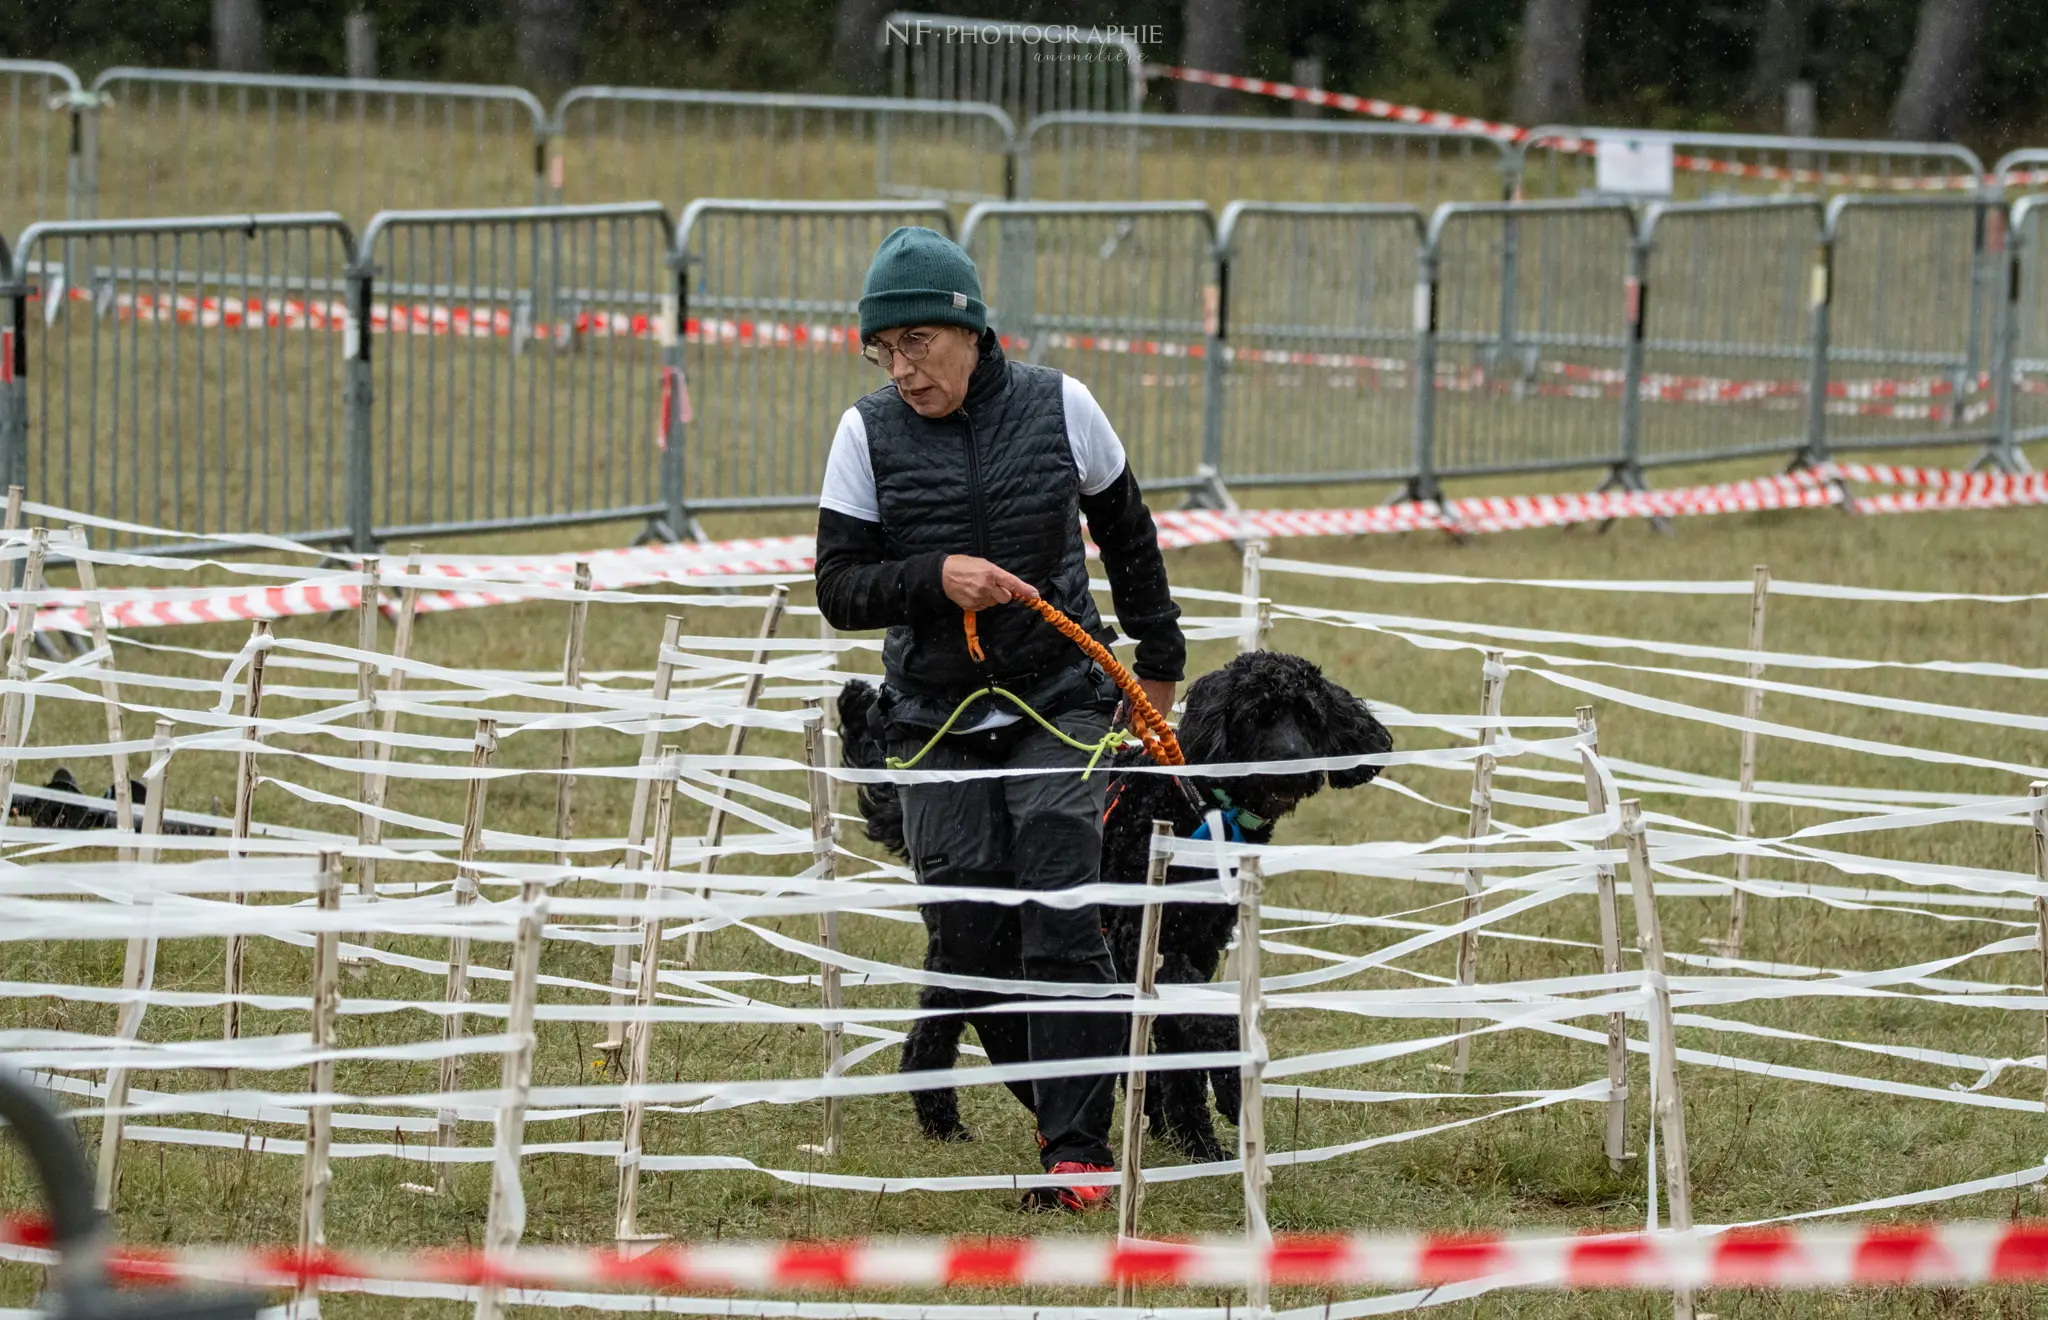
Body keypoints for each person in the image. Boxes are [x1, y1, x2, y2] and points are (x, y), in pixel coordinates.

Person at [813, 226, 1185, 1211]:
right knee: (969, 942)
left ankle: (1075, 1152)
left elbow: (1128, 534)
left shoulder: (1063, 406)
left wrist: (1159, 664)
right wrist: (933, 578)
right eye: (882, 352)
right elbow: (838, 588)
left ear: (969, 329)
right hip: (931, 712)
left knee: (1063, 911)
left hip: (1058, 696)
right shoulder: (863, 435)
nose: (901, 370)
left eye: (916, 347)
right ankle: (1054, 1102)